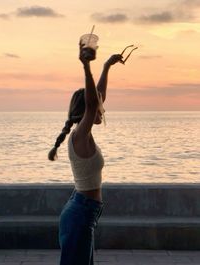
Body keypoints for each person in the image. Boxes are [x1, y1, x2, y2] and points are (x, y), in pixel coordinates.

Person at [48, 42, 124, 265]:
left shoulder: (82, 135)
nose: (102, 108)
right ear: (86, 112)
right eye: (97, 107)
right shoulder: (80, 135)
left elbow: (96, 98)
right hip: (80, 214)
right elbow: (93, 103)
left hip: (84, 212)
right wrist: (86, 67)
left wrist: (107, 66)